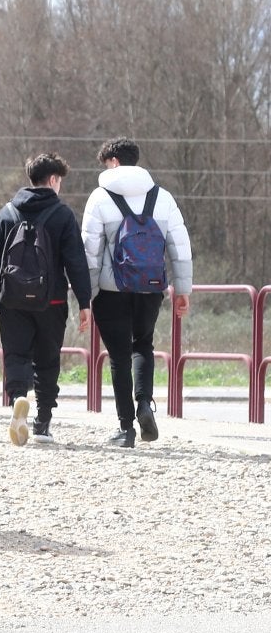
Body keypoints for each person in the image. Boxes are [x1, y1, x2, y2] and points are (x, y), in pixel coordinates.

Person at [81, 136, 193, 447]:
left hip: (110, 290)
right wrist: (182, 289)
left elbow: (90, 253)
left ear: (113, 162)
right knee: (142, 345)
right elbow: (179, 247)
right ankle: (144, 403)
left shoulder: (100, 198)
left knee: (118, 356)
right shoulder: (163, 198)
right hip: (151, 288)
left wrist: (85, 299)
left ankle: (125, 428)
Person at [0, 152, 93, 445]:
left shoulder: (7, 213)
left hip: (13, 301)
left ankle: (18, 397)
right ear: (53, 180)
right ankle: (42, 423)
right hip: (51, 302)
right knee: (47, 360)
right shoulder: (63, 215)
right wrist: (84, 302)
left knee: (16, 354)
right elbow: (76, 262)